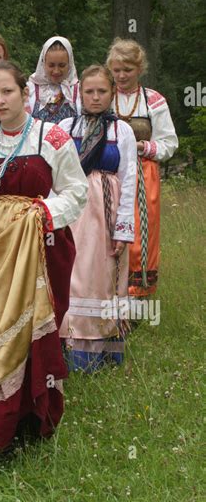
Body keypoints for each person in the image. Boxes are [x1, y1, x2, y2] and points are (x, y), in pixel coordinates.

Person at [0, 60, 88, 471]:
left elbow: (77, 192)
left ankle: (23, 424)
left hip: (41, 249)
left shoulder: (54, 136)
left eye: (7, 92)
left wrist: (41, 214)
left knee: (26, 334)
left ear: (24, 94)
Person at [58, 65, 137, 371]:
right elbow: (54, 172)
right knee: (71, 276)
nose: (95, 97)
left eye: (101, 91)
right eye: (89, 91)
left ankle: (99, 352)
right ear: (79, 93)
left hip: (106, 212)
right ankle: (68, 350)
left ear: (112, 93)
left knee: (101, 279)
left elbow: (129, 180)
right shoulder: (66, 128)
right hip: (73, 211)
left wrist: (123, 229)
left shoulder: (122, 131)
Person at [106, 38, 178, 299]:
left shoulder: (153, 100)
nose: (122, 75)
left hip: (143, 174)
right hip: (109, 172)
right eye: (117, 70)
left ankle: (138, 294)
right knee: (107, 228)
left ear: (139, 69)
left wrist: (143, 147)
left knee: (138, 233)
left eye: (128, 69)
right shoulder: (103, 94)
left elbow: (170, 142)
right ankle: (108, 290)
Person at [27, 36, 80, 123]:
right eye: (51, 65)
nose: (56, 71)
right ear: (43, 63)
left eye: (62, 65)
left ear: (70, 64)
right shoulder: (31, 89)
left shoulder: (78, 91)